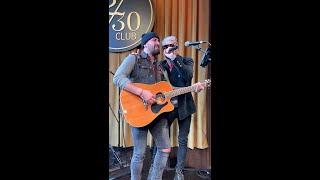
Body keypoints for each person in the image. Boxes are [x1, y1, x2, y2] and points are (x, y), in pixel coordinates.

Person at [113, 32, 171, 180]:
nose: (158, 43)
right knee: (139, 153)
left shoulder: (159, 66)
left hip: (158, 113)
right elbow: (118, 78)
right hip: (139, 111)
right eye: (154, 40)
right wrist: (141, 93)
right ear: (145, 44)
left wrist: (193, 87)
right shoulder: (134, 59)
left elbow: (167, 89)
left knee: (165, 149)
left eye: (158, 40)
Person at [148, 35, 205, 180]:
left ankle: (179, 171)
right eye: (165, 46)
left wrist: (175, 60)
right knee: (159, 140)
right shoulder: (160, 65)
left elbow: (188, 76)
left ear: (177, 46)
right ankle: (154, 170)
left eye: (171, 45)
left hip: (184, 106)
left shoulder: (186, 61)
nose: (168, 49)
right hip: (165, 108)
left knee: (182, 139)